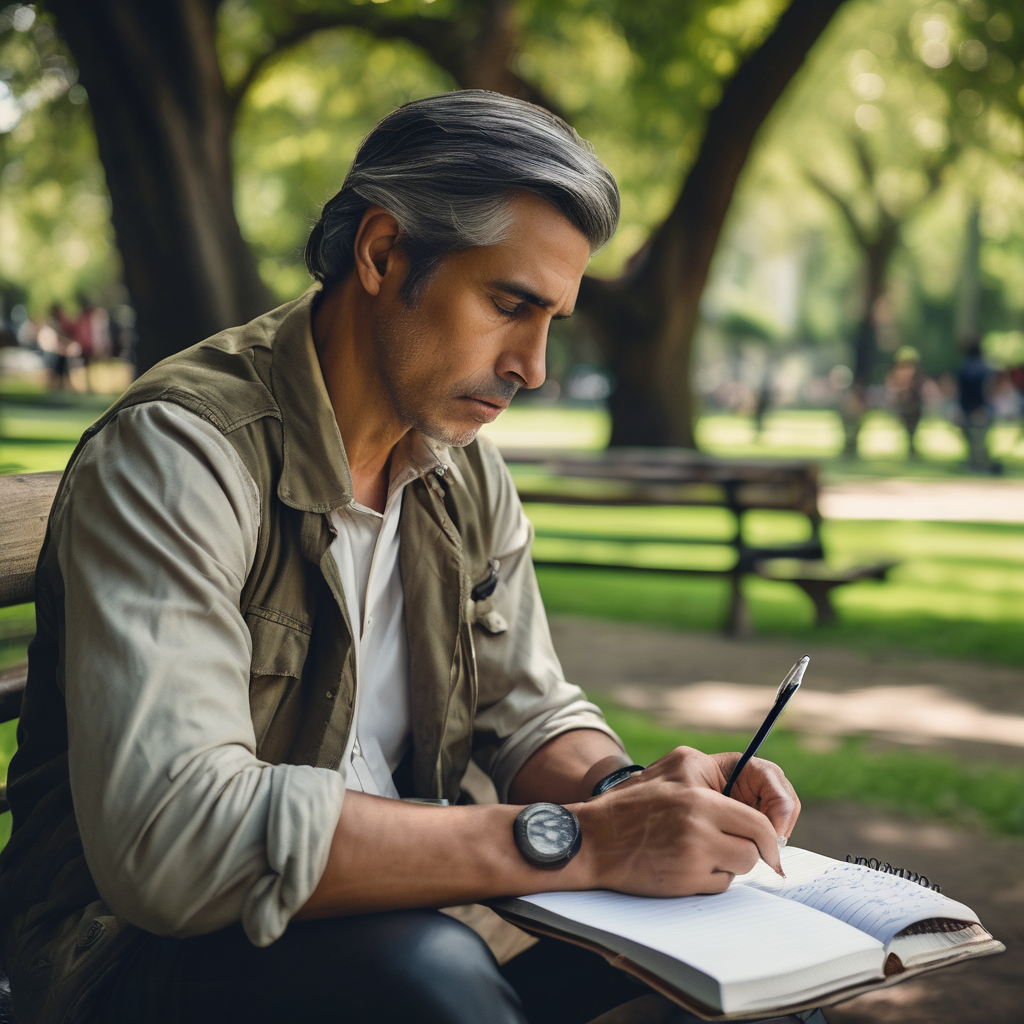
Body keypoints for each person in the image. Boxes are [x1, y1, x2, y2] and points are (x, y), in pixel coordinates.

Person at [0, 92, 801, 1024]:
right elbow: (176, 839)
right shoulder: (182, 456)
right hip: (137, 962)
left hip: (418, 929)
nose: (533, 367)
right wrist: (581, 839)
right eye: (510, 305)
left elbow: (526, 707)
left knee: (759, 979)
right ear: (383, 253)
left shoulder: (463, 470)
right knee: (424, 975)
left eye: (552, 320)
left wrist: (626, 792)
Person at [885, 345, 926, 457]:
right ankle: (911, 447)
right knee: (908, 429)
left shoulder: (917, 375)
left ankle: (912, 447)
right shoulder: (896, 373)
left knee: (912, 429)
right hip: (904, 405)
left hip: (914, 405)